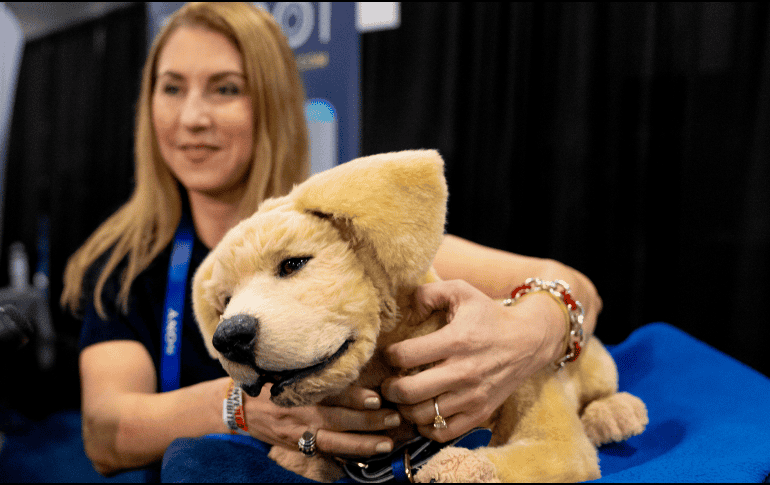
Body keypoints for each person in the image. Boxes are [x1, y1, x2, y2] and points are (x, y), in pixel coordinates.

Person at [61, 2, 602, 478]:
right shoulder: (122, 265)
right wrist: (242, 409)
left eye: (225, 88)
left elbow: (571, 283)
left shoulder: (340, 230)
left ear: (271, 103)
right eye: (171, 87)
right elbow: (105, 433)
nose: (192, 117)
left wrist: (523, 339)